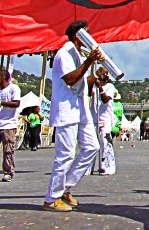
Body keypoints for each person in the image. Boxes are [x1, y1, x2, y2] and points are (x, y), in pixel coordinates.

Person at [44, 20, 104, 212]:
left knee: (91, 147)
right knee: (66, 155)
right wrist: (89, 62)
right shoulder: (64, 54)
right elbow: (70, 79)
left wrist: (96, 77)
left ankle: (65, 188)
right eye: (87, 33)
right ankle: (51, 199)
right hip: (66, 110)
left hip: (80, 109)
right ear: (78, 36)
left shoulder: (77, 54)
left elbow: (81, 81)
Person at [0, 68, 21, 182]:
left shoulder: (13, 88)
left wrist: (1, 102)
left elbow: (16, 103)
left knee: (8, 150)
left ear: (1, 77)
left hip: (9, 124)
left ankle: (8, 172)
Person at [90, 67, 117, 175]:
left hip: (105, 119)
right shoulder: (94, 87)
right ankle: (89, 168)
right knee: (91, 144)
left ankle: (107, 166)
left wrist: (100, 88)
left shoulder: (110, 87)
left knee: (105, 143)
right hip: (94, 117)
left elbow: (106, 100)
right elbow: (87, 93)